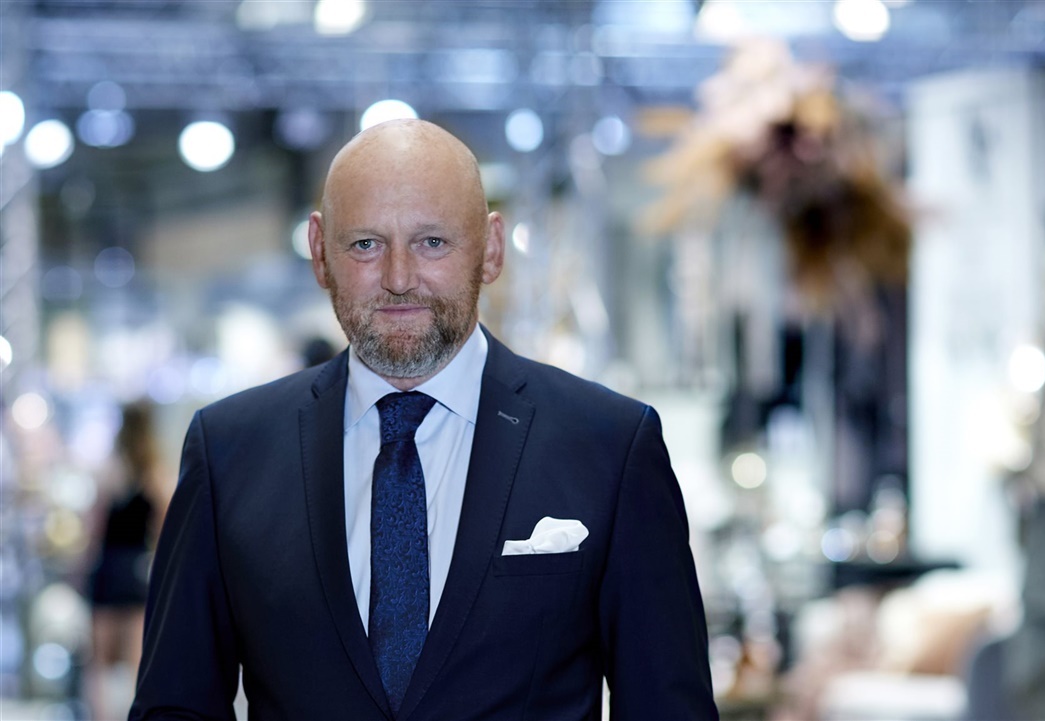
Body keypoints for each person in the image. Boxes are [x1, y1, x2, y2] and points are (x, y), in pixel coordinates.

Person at [130, 119, 717, 720]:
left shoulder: (609, 446)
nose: (399, 278)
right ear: (320, 251)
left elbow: (669, 708)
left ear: (491, 249)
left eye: (432, 242)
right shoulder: (230, 451)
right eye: (366, 244)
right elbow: (174, 707)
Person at [86, 400, 167, 720]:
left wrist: (83, 567)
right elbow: (164, 526)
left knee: (100, 659)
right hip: (137, 569)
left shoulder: (110, 470)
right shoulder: (155, 473)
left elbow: (94, 527)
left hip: (110, 566)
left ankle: (102, 717)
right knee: (136, 659)